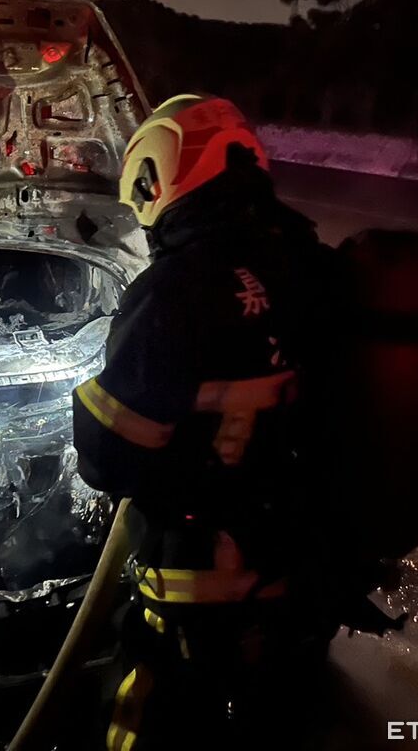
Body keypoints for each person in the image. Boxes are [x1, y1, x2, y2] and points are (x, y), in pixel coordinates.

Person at [73, 94, 351, 749]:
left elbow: (111, 459)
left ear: (156, 176)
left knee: (145, 718)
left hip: (200, 575)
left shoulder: (175, 288)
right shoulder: (315, 263)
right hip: (303, 561)